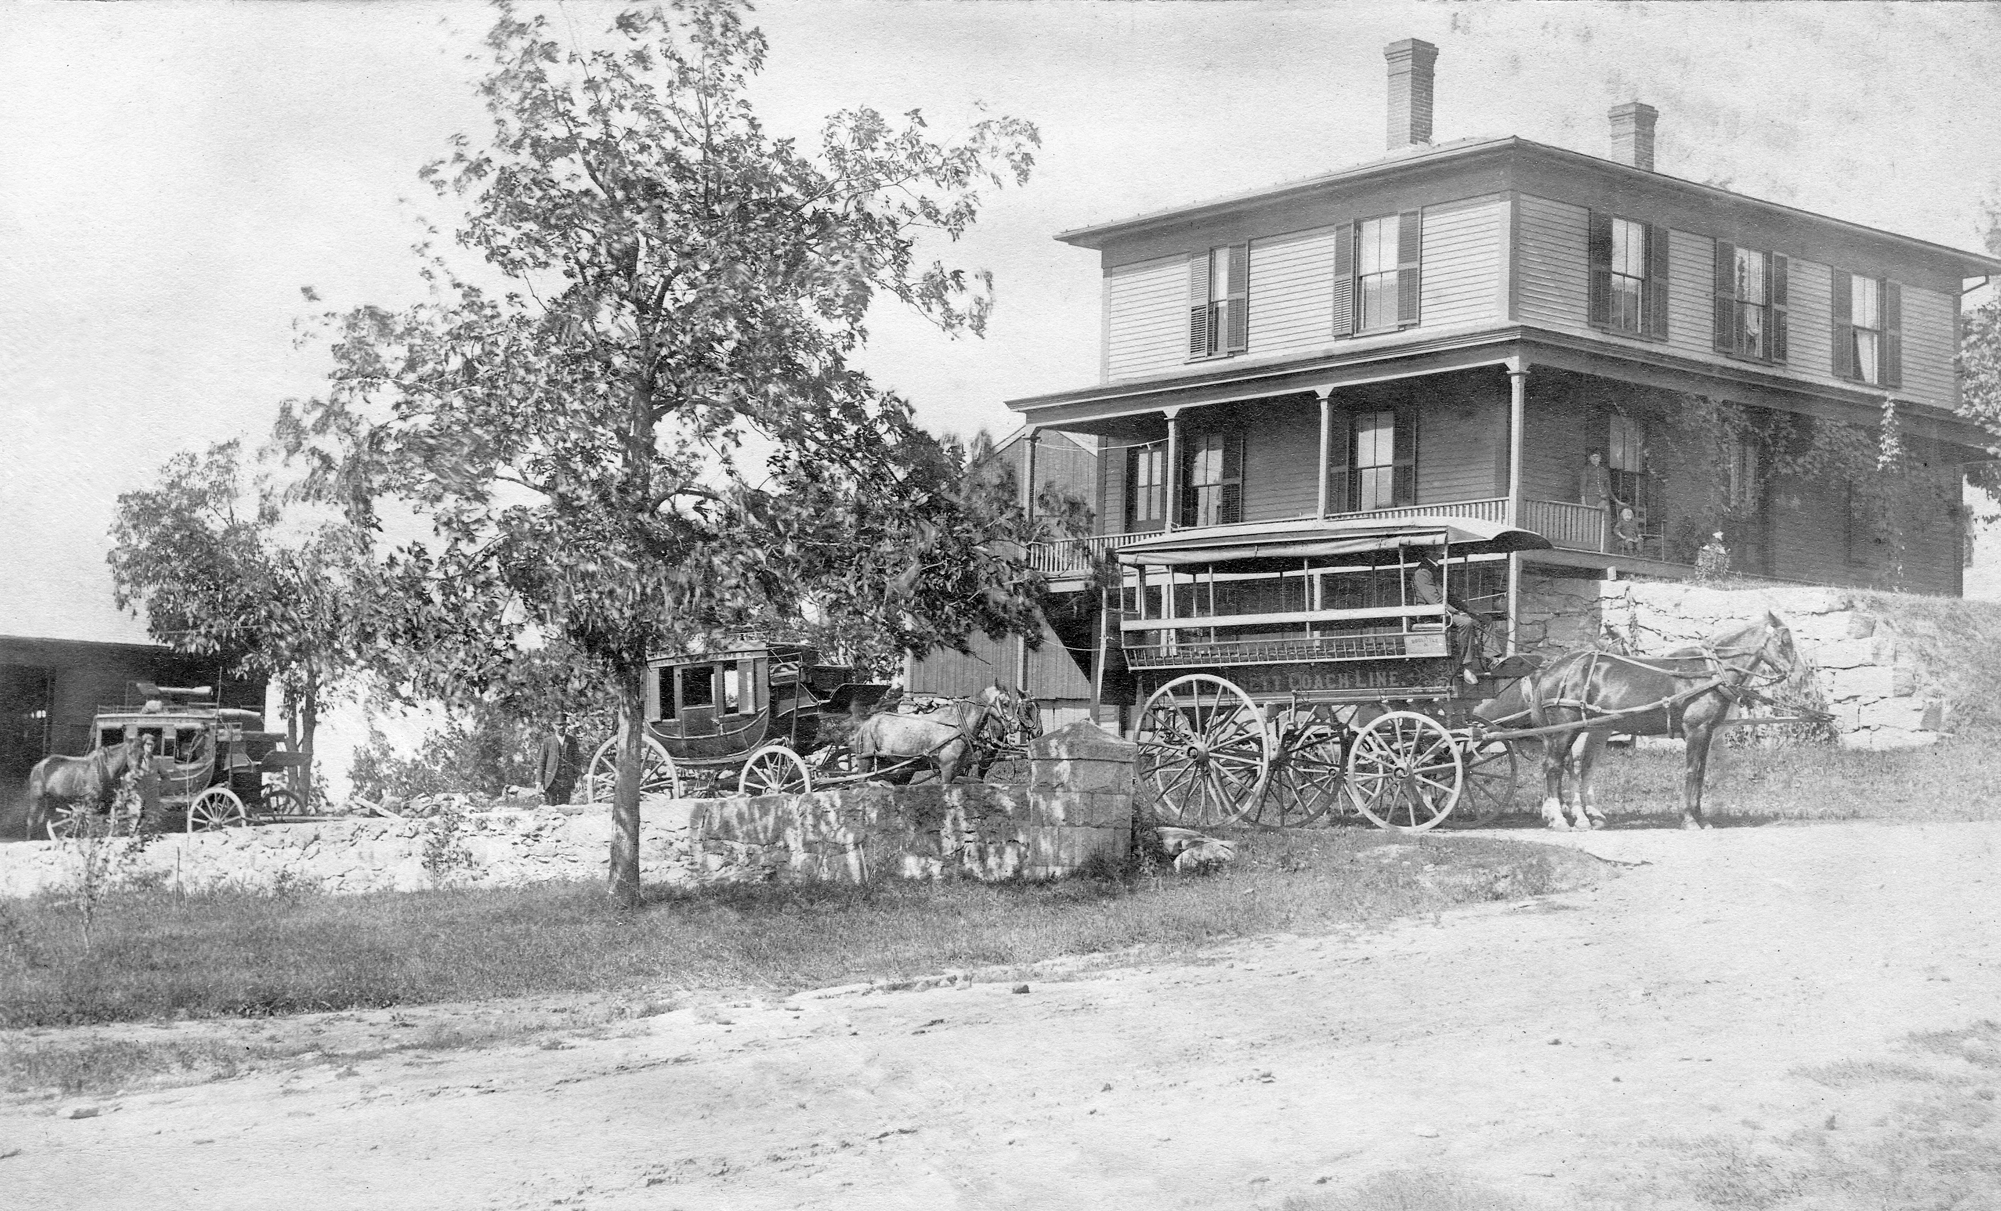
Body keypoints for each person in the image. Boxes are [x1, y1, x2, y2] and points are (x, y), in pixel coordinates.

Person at [1409, 550, 1485, 685]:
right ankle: (1466, 667)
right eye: (1437, 548)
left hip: (1443, 611)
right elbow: (1434, 600)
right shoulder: (1422, 572)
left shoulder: (1435, 569)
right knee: (1465, 623)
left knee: (1484, 619)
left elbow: (1449, 596)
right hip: (1431, 615)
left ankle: (1493, 659)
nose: (1440, 551)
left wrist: (1467, 609)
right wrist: (1456, 612)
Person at [537, 716, 583, 807]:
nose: (561, 727)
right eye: (558, 725)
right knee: (550, 808)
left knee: (564, 807)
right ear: (553, 726)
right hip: (551, 781)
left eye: (563, 724)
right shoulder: (547, 741)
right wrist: (539, 782)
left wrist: (578, 780)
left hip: (566, 780)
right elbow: (541, 762)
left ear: (566, 725)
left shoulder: (571, 741)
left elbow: (577, 762)